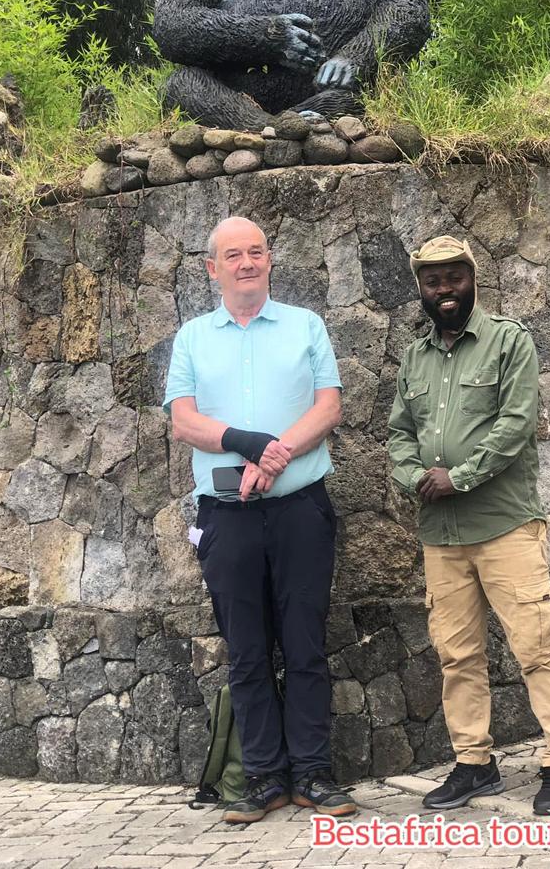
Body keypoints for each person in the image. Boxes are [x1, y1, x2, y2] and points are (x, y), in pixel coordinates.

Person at [163, 216, 355, 823]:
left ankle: (313, 774)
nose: (246, 262)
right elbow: (184, 421)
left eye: (256, 252)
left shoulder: (306, 326)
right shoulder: (193, 338)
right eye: (233, 255)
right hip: (228, 518)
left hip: (301, 512)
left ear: (270, 260)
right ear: (211, 268)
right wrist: (247, 440)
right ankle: (264, 778)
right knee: (246, 652)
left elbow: (329, 407)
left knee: (305, 644)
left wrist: (277, 453)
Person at [387, 235, 550, 815]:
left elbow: (516, 425)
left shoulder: (509, 342)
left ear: (471, 278)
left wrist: (460, 477)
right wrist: (413, 475)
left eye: (453, 277)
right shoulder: (414, 357)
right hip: (441, 537)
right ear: (421, 289)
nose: (443, 289)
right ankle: (474, 763)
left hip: (504, 527)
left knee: (535, 645)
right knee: (457, 655)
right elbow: (400, 433)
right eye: (431, 280)